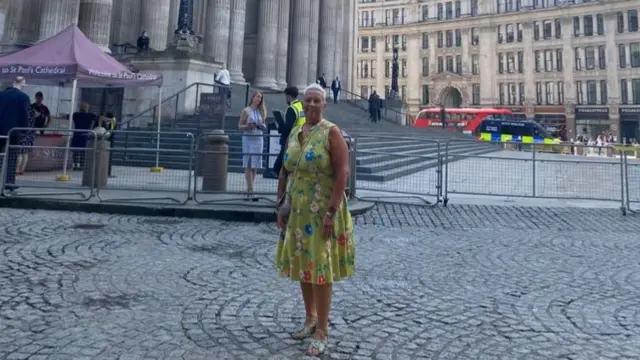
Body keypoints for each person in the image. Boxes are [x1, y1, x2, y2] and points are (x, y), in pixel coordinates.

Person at [275, 83, 355, 357]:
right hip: (297, 211)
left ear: (324, 105)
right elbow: (285, 169)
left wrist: (331, 213)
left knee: (320, 269)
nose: (311, 105)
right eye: (308, 100)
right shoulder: (297, 131)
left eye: (316, 101)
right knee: (303, 265)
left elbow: (343, 172)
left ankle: (322, 329)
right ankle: (309, 318)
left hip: (322, 211)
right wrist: (280, 206)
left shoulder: (331, 132)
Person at [0, 76, 31, 192]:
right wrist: (25, 129)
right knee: (12, 157)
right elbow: (24, 115)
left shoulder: (1, 95)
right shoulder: (24, 97)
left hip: (0, 129)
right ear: (23, 84)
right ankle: (9, 182)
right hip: (14, 130)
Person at [238, 91, 267, 201]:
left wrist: (262, 126)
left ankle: (250, 189)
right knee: (248, 163)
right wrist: (248, 126)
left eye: (260, 97)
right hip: (248, 138)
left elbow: (264, 124)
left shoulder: (262, 111)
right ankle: (250, 190)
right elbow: (240, 126)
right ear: (253, 97)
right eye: (257, 97)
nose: (259, 99)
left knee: (255, 164)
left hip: (258, 138)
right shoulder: (246, 111)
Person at [273, 86, 304, 175]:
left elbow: (288, 128)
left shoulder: (292, 108)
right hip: (302, 137)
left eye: (286, 97)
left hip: (291, 139)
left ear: (289, 97)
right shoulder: (301, 106)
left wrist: (279, 126)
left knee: (282, 163)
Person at [70, 101, 97, 170]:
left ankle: (75, 164)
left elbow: (69, 117)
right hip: (85, 135)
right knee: (83, 151)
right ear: (87, 108)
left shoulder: (75, 115)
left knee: (76, 151)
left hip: (77, 134)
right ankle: (82, 165)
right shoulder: (90, 115)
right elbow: (98, 118)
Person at [16, 105, 36, 175]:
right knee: (25, 153)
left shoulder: (22, 112)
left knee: (19, 153)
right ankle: (22, 170)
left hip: (22, 135)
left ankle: (17, 170)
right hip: (30, 135)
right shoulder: (33, 112)